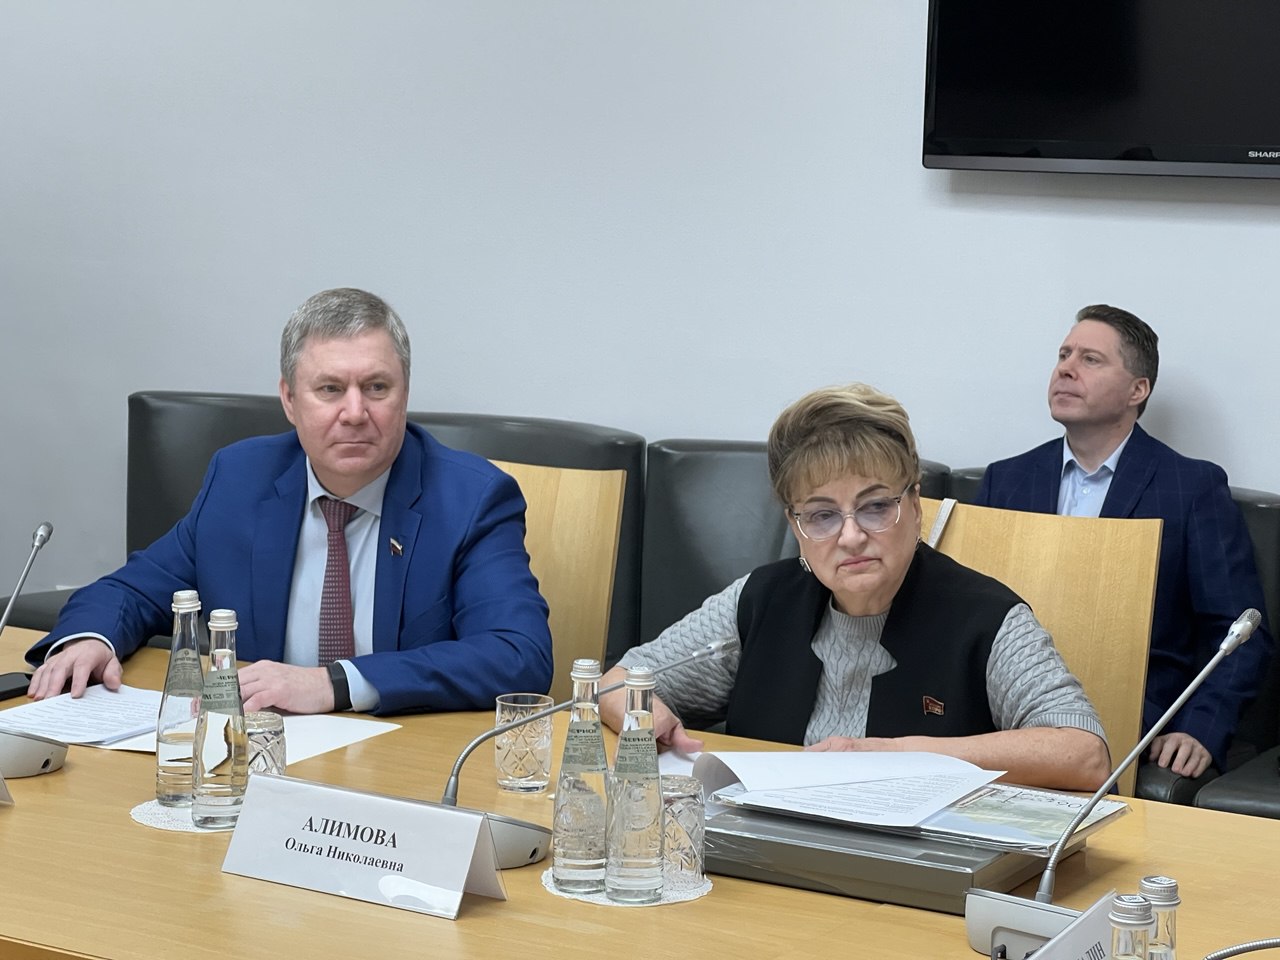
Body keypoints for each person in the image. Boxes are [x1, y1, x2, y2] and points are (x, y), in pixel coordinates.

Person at [25, 287, 553, 715]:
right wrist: (91, 641)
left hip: (402, 762)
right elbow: (134, 589)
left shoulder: (471, 500)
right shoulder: (240, 480)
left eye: (376, 387)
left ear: (405, 394)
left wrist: (335, 683)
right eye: (329, 389)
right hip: (260, 753)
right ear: (289, 400)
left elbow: (518, 654)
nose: (355, 412)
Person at [601, 383, 1110, 792]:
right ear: (795, 524)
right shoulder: (761, 599)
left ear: (915, 505)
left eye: (875, 507)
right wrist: (642, 714)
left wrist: (899, 754)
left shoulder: (985, 618)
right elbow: (620, 682)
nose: (850, 537)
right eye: (822, 515)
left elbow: (1084, 753)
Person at [975, 304, 1273, 779]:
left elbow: (1239, 631)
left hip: (1130, 716)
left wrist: (1200, 729)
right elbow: (969, 611)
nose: (1066, 368)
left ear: (1138, 390)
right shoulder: (1006, 480)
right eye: (1064, 355)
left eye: (1091, 359)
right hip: (1001, 708)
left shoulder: (1191, 488)